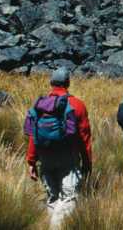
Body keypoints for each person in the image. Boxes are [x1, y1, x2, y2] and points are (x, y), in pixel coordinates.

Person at [23, 68, 92, 229]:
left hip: (45, 157)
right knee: (68, 197)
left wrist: (31, 162)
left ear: (51, 83)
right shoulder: (77, 104)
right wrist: (87, 162)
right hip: (68, 157)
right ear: (68, 83)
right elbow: (84, 137)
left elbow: (34, 135)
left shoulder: (41, 104)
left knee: (52, 197)